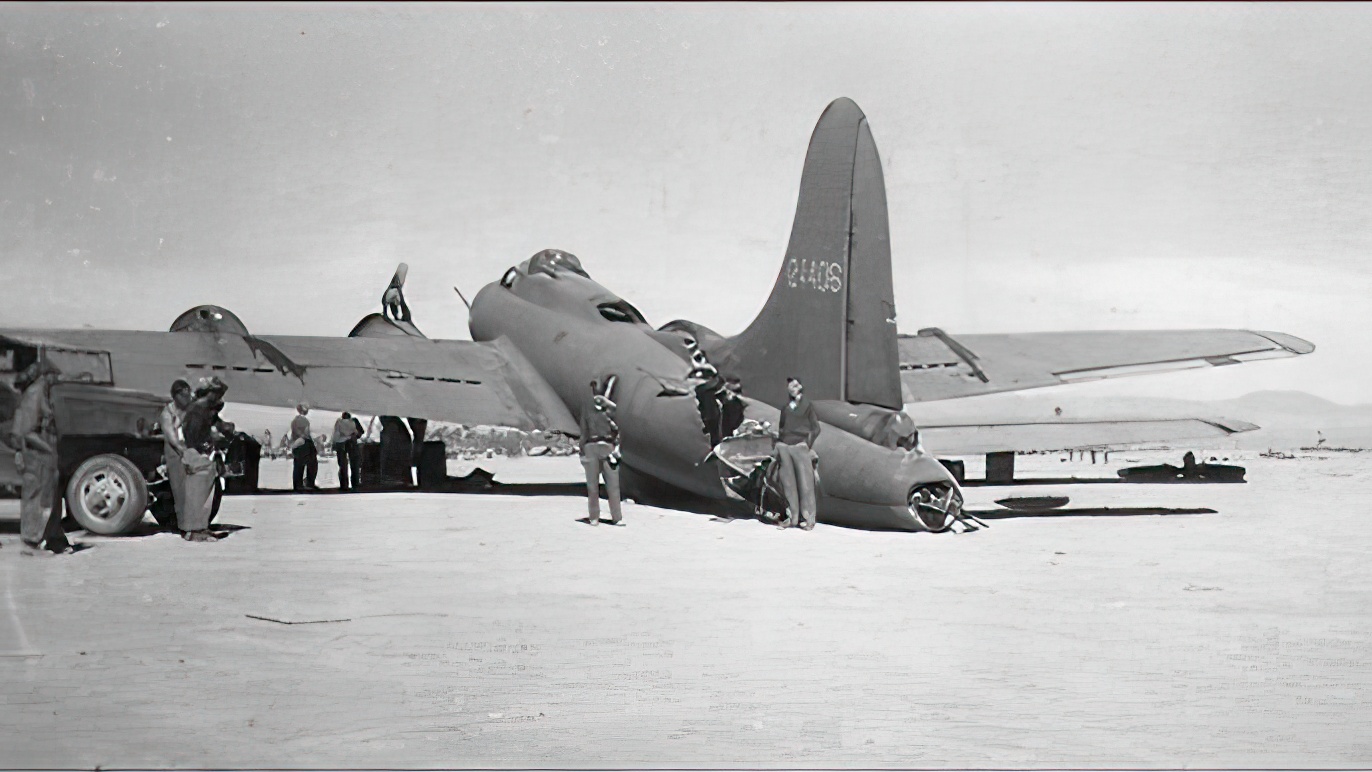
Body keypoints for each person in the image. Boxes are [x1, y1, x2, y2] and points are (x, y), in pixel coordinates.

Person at [10, 361, 73, 554]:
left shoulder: (44, 392)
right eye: (53, 376)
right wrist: (49, 450)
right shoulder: (35, 394)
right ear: (44, 376)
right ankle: (32, 542)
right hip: (38, 456)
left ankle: (54, 539)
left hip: (45, 456)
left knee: (51, 500)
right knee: (37, 499)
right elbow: (28, 431)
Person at [179, 377, 228, 541]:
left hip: (198, 453)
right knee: (198, 492)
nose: (220, 397)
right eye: (218, 393)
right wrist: (209, 442)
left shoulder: (202, 409)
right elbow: (192, 435)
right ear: (210, 392)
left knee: (203, 491)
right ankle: (195, 531)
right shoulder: (198, 410)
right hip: (196, 453)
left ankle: (200, 528)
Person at [773, 376, 821, 530]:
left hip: (800, 447)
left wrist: (806, 444)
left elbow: (816, 428)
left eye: (794, 385)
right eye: (789, 385)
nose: (791, 388)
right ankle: (792, 517)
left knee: (806, 483)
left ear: (800, 386)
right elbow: (781, 428)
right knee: (788, 483)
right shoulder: (786, 408)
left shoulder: (807, 406)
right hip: (785, 447)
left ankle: (809, 519)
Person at [579, 379, 622, 526]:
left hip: (608, 447)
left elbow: (620, 432)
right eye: (595, 394)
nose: (598, 397)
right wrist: (582, 452)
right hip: (591, 447)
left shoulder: (612, 412)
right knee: (592, 486)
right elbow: (584, 432)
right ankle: (594, 516)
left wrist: (617, 450)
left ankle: (617, 517)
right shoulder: (587, 410)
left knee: (613, 485)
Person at [158, 379, 193, 529]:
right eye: (184, 395)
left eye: (188, 394)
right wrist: (184, 452)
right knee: (180, 491)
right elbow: (172, 438)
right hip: (175, 453)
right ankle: (184, 525)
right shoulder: (167, 413)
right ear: (175, 396)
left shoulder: (190, 409)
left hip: (189, 450)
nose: (187, 398)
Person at [290, 403, 318, 492]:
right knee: (308, 464)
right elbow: (304, 433)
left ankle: (299, 484)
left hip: (298, 443)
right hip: (303, 443)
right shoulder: (303, 420)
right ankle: (307, 483)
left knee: (299, 465)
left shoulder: (296, 420)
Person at [332, 411, 361, 492]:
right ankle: (355, 484)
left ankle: (344, 485)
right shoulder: (352, 422)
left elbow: (336, 434)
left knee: (342, 465)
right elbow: (356, 432)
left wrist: (334, 443)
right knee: (354, 464)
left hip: (341, 444)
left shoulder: (339, 422)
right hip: (351, 443)